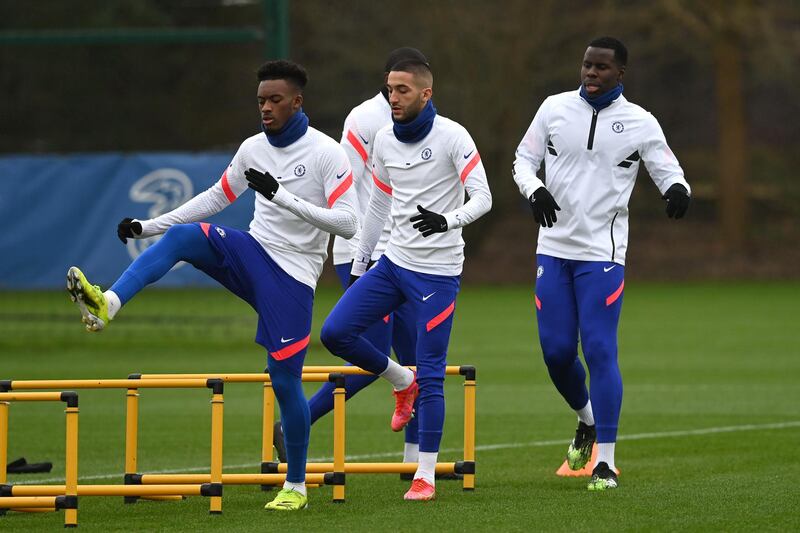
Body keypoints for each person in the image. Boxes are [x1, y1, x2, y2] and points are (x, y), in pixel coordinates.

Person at [66, 60, 358, 511]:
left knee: (284, 380)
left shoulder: (326, 153)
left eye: (275, 100)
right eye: (260, 100)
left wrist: (283, 196)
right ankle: (108, 303)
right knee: (184, 237)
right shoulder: (252, 148)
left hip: (294, 276)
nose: (265, 108)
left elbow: (349, 223)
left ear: (297, 102)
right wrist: (149, 227)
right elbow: (217, 196)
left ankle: (296, 486)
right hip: (253, 254)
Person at [512, 36, 691, 491]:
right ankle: (586, 421)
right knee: (555, 353)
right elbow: (523, 160)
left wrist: (677, 189)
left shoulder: (640, 122)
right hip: (553, 250)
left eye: (602, 68)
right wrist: (534, 191)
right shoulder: (553, 108)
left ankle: (605, 462)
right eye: (587, 65)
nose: (591, 73)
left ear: (620, 74)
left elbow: (666, 167)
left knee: (599, 349)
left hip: (603, 254)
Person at [275, 48, 452, 480]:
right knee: (373, 357)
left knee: (412, 357)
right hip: (366, 252)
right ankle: (296, 422)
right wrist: (359, 251)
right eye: (398, 84)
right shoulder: (364, 119)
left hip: (410, 253)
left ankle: (415, 463)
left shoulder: (421, 115)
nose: (401, 92)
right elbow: (346, 185)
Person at [320, 59, 492, 501]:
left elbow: (484, 198)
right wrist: (361, 266)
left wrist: (448, 221)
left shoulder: (453, 135)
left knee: (433, 374)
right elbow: (377, 207)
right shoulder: (382, 138)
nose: (393, 97)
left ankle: (425, 476)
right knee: (335, 332)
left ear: (425, 94)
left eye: (402, 90)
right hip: (392, 265)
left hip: (438, 274)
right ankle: (401, 379)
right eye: (389, 89)